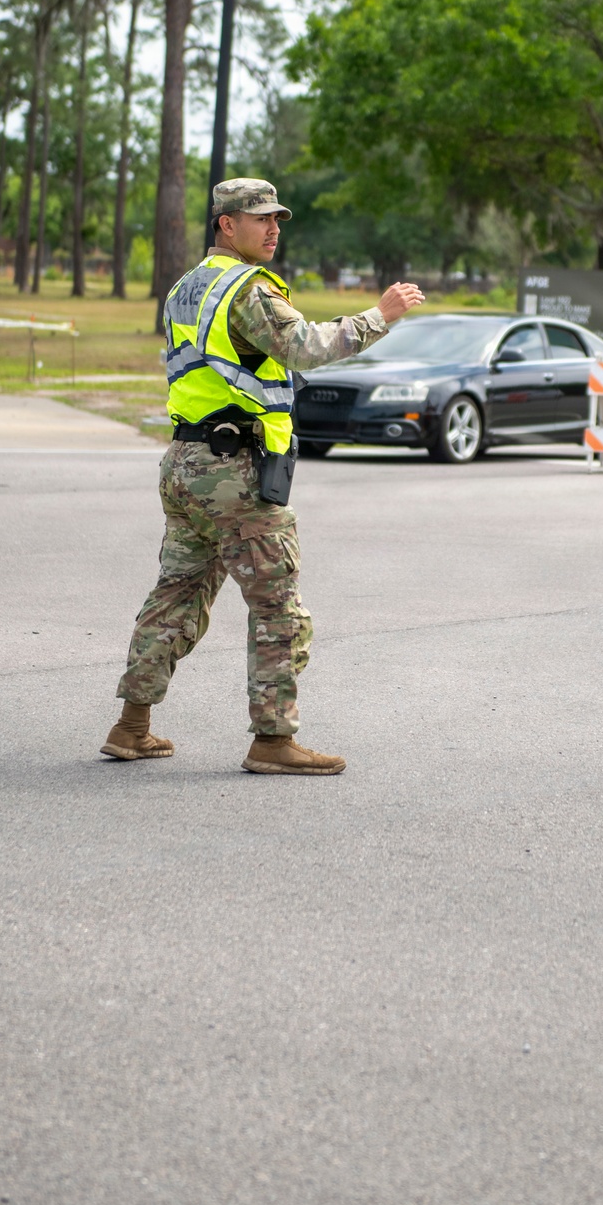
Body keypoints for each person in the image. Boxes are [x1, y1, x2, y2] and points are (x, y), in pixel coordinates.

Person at [100, 177, 424, 775]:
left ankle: (131, 726)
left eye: (277, 219)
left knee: (175, 597)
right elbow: (304, 346)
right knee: (278, 607)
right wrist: (379, 316)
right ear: (227, 224)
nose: (273, 229)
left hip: (185, 462)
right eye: (260, 219)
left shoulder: (185, 287)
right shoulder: (247, 288)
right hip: (233, 472)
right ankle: (273, 741)